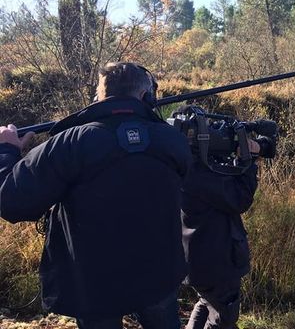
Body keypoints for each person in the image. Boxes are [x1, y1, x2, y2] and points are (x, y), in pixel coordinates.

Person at [0, 62, 193, 328]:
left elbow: (11, 201)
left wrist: (7, 151)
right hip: (159, 276)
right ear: (147, 97)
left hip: (93, 286)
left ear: (99, 97)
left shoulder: (68, 144)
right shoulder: (173, 141)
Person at [181, 143, 260, 329]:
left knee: (206, 302)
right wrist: (247, 161)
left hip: (194, 258)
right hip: (217, 260)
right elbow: (240, 198)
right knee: (223, 319)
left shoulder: (180, 167)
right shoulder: (200, 174)